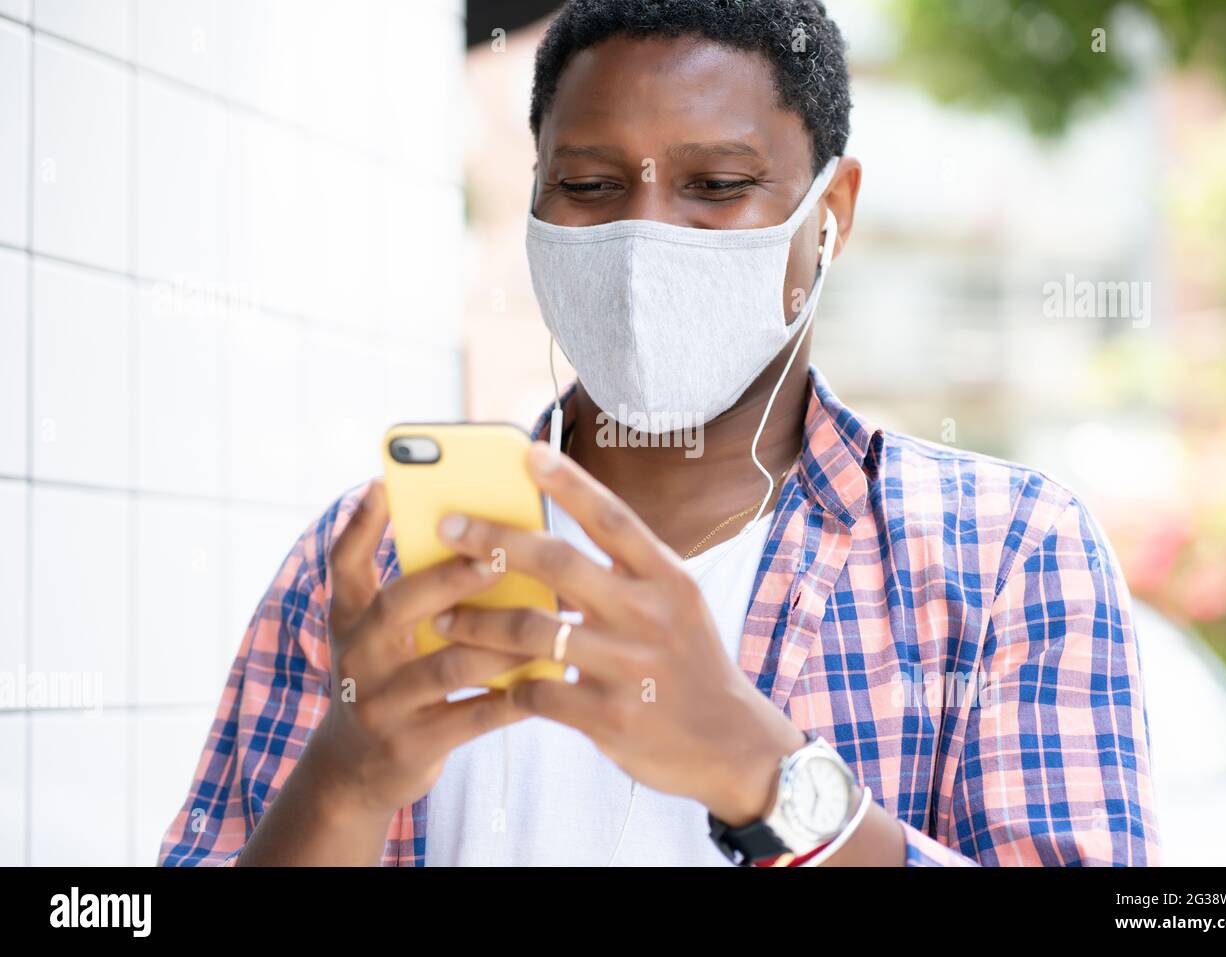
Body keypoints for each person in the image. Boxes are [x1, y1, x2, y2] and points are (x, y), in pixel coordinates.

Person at [160, 0, 1158, 867]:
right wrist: (343, 782)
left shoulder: (1003, 555)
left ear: (831, 215)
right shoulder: (374, 560)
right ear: (534, 201)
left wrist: (763, 776)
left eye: (716, 187)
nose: (644, 239)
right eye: (589, 187)